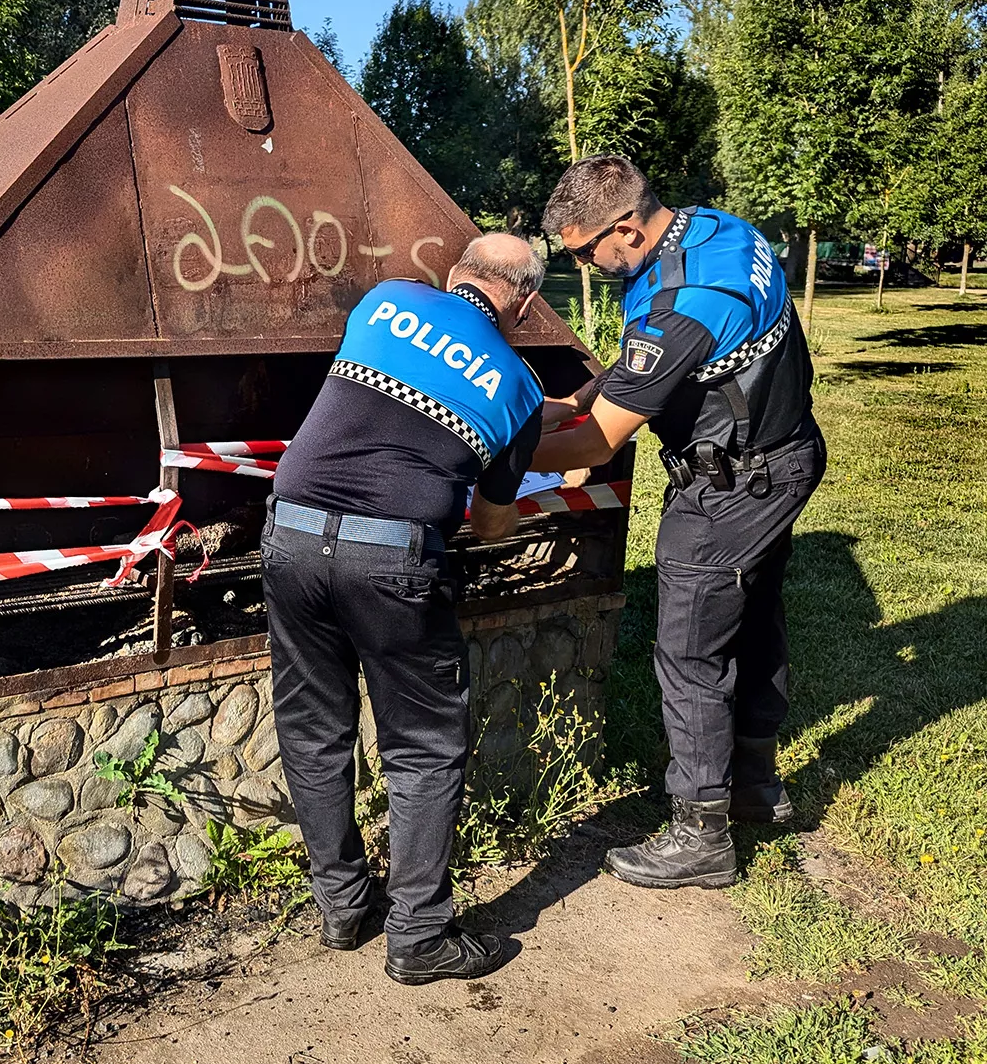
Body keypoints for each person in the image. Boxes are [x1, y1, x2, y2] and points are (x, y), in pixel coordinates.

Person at [531, 155, 826, 890]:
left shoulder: (688, 300)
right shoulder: (715, 229)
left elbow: (602, 441)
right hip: (784, 452)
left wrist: (493, 450)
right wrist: (573, 400)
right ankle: (755, 781)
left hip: (732, 483)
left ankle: (701, 831)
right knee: (753, 611)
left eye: (583, 252)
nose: (585, 267)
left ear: (626, 228)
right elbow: (649, 365)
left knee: (690, 647)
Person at [264, 234, 547, 985]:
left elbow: (410, 381)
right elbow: (488, 522)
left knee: (314, 728)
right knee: (423, 743)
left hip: (290, 533)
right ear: (523, 301)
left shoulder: (387, 298)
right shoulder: (519, 387)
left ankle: (342, 907)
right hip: (392, 558)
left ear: (455, 274)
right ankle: (418, 935)